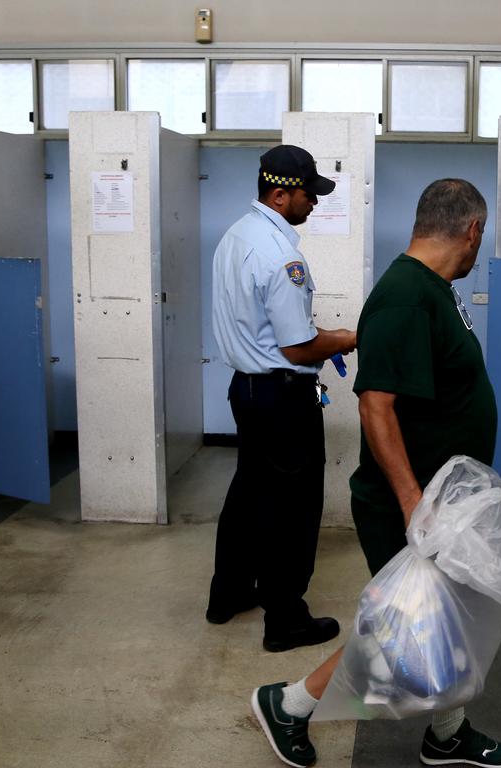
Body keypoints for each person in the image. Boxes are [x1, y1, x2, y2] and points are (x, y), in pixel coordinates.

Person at [251, 179, 501, 767]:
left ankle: (446, 732)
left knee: (436, 622)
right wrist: (413, 503)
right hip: (410, 504)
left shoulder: (434, 289)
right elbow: (375, 404)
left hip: (435, 499)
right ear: (472, 230)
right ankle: (289, 704)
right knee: (404, 630)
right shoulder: (405, 295)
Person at [207, 144, 357, 654]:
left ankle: (226, 594)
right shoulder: (282, 256)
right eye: (308, 195)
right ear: (280, 193)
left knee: (249, 493)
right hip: (281, 395)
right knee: (292, 508)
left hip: (246, 391)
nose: (314, 204)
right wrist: (342, 338)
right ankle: (286, 619)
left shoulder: (235, 237)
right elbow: (297, 346)